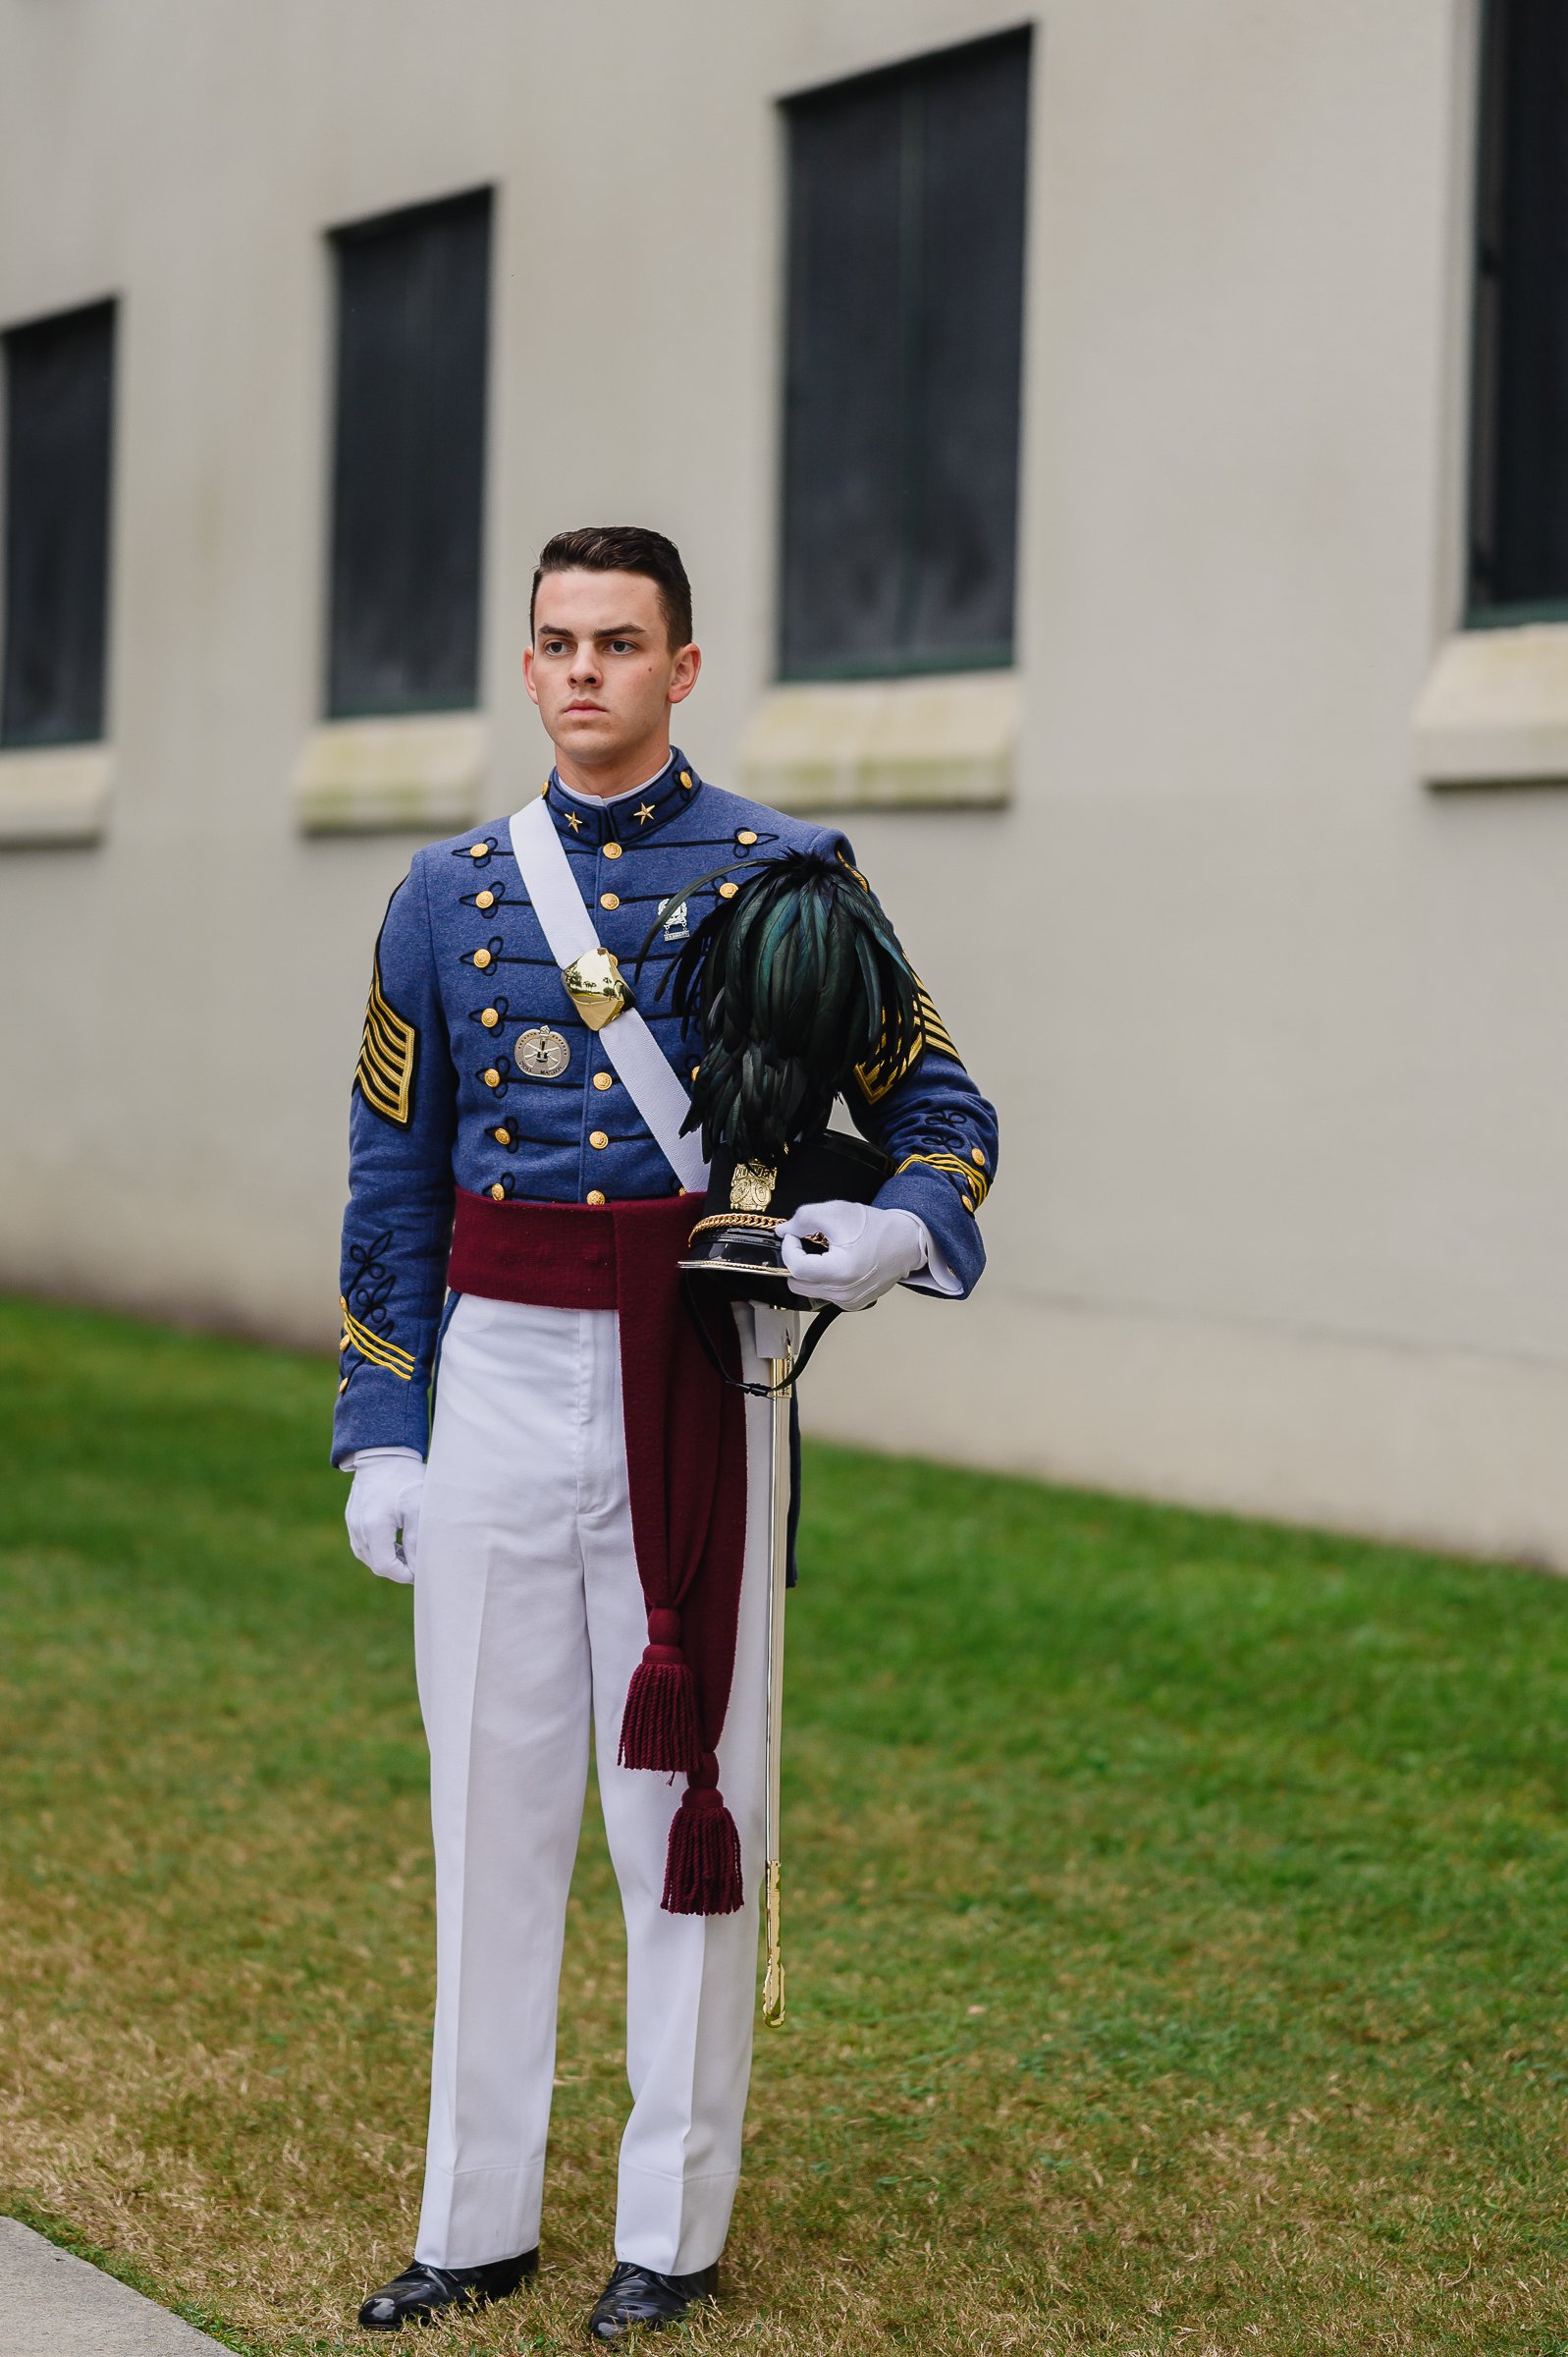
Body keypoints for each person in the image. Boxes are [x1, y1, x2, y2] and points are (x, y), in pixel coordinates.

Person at [335, 524, 998, 2342]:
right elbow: (392, 1182)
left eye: (619, 643)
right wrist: (379, 1425)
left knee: (684, 1809)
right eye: (553, 640)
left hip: (690, 1376)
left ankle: (670, 2227)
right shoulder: (441, 893)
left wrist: (892, 1233)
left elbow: (940, 1106)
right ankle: (470, 2221)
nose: (580, 673)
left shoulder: (789, 873)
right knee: (487, 1803)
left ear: (682, 667)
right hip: (492, 1370)